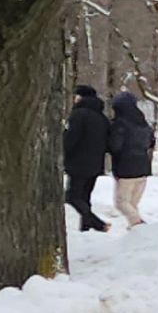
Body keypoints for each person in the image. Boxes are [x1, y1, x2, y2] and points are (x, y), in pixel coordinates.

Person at [64, 85, 111, 233]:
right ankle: (85, 228)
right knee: (85, 197)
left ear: (80, 97)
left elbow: (71, 138)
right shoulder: (101, 117)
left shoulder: (78, 115)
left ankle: (98, 224)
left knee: (73, 197)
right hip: (96, 164)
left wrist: (63, 150)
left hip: (78, 162)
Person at [107, 92, 156, 228]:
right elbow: (151, 142)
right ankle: (135, 230)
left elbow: (115, 146)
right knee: (132, 204)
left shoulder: (119, 124)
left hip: (126, 168)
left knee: (121, 202)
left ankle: (138, 224)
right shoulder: (143, 122)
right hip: (143, 167)